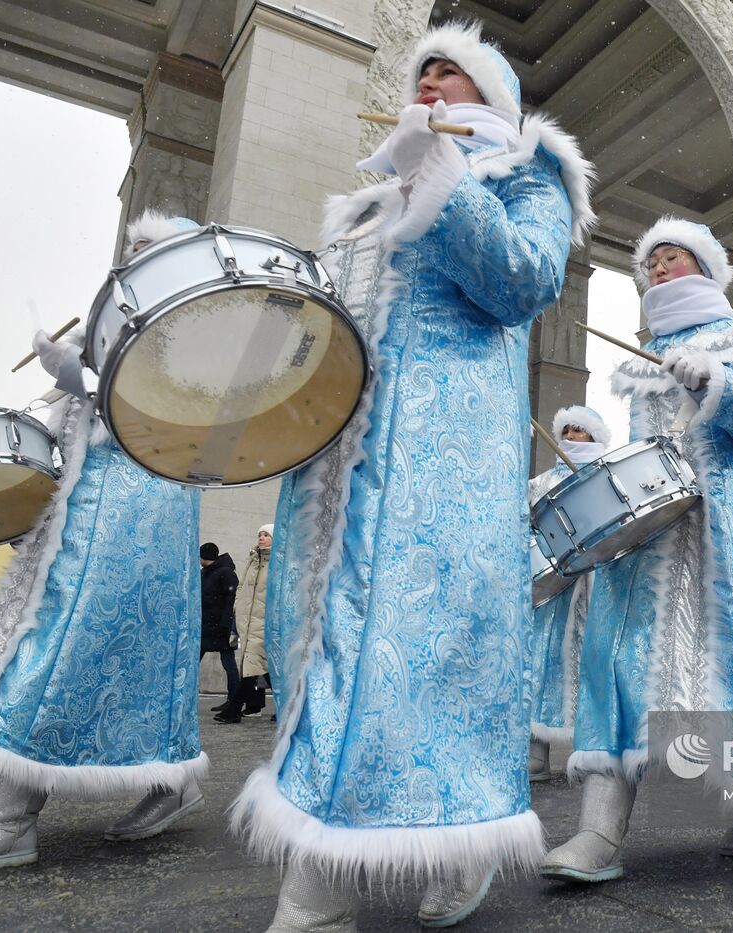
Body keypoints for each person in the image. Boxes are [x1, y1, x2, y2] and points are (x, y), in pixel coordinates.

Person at [230, 22, 593, 930]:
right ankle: (326, 876)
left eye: (453, 74)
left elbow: (522, 279)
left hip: (446, 458)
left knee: (434, 656)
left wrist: (442, 178)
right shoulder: (361, 208)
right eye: (422, 71)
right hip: (341, 467)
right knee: (324, 652)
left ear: (495, 103)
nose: (430, 83)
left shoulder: (526, 174)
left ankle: (441, 842)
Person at [541, 216, 733, 883]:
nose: (656, 268)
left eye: (671, 257)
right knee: (619, 659)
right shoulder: (639, 358)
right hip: (654, 536)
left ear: (706, 266)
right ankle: (599, 829)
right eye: (648, 262)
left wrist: (717, 381)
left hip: (726, 534)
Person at [0, 213, 205, 871]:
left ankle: (9, 819)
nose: (134, 258)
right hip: (102, 502)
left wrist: (79, 375)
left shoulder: (198, 319)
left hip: (129, 508)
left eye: (150, 250)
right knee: (129, 649)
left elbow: (175, 414)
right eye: (133, 249)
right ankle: (168, 776)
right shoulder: (125, 320)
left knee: (62, 643)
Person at [525, 406, 612, 781]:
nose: (571, 437)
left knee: (596, 661)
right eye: (567, 430)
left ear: (595, 437)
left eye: (580, 431)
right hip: (555, 587)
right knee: (542, 661)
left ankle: (595, 751)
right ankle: (535, 751)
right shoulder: (541, 482)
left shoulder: (606, 476)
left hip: (597, 583)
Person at [200, 543, 243, 724]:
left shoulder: (226, 573)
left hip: (220, 627)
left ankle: (233, 702)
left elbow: (231, 600)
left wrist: (227, 625)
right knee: (193, 661)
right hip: (206, 626)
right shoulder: (206, 573)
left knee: (228, 663)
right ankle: (231, 702)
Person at [235, 525, 272, 717]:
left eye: (266, 535)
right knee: (261, 667)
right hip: (248, 621)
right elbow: (241, 586)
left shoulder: (277, 562)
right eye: (260, 534)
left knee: (254, 663)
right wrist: (237, 607)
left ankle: (234, 708)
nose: (261, 538)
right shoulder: (253, 559)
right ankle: (286, 707)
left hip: (264, 622)